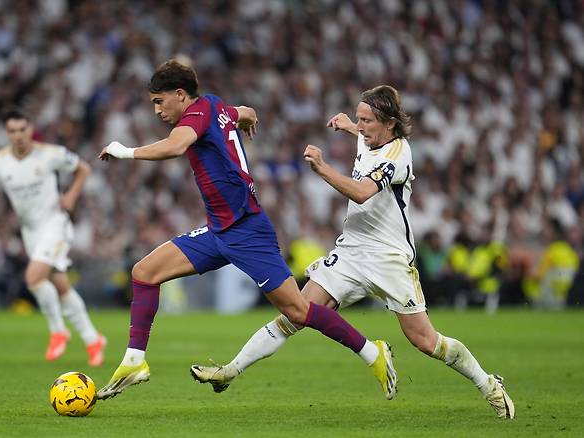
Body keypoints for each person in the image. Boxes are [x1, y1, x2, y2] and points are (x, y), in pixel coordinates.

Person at [190, 85, 515, 419]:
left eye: (366, 121)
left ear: (389, 123)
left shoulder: (397, 155)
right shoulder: (368, 135)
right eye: (359, 119)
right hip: (351, 252)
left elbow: (361, 193)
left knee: (425, 341)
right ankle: (231, 371)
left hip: (388, 258)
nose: (361, 127)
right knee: (296, 312)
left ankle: (488, 383)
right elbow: (359, 134)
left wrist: (321, 166)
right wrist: (347, 124)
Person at [95, 59, 394, 400]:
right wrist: (249, 119)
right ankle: (135, 362)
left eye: (159, 101)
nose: (156, 110)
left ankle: (373, 353)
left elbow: (175, 146)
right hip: (218, 231)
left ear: (180, 95)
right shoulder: (214, 105)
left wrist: (124, 151)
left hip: (248, 231)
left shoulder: (196, 115)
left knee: (296, 310)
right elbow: (245, 111)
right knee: (144, 272)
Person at [0, 108, 106, 366]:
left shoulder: (50, 154)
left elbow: (83, 168)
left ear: (30, 129)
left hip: (54, 224)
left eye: (22, 129)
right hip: (30, 232)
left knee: (33, 277)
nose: (18, 135)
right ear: (7, 132)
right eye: (12, 131)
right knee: (60, 286)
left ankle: (58, 331)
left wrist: (70, 196)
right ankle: (93, 339)